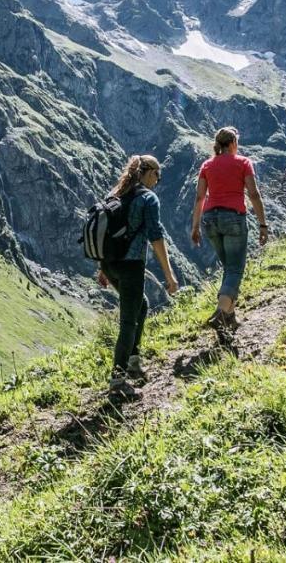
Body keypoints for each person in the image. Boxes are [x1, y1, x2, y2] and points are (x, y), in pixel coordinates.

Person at [95, 154, 179, 399]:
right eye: (158, 175)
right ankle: (118, 380)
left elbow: (107, 234)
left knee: (141, 305)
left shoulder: (117, 193)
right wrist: (169, 275)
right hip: (130, 266)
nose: (158, 180)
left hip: (110, 264)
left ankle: (132, 362)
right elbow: (155, 236)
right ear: (149, 171)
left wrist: (102, 268)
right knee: (128, 321)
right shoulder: (148, 198)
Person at [190, 127, 268, 331]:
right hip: (232, 217)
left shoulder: (207, 165)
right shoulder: (243, 163)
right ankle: (222, 312)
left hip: (209, 220)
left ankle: (229, 317)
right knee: (235, 268)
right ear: (233, 142)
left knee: (229, 268)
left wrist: (195, 226)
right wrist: (262, 223)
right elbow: (253, 194)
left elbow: (199, 197)